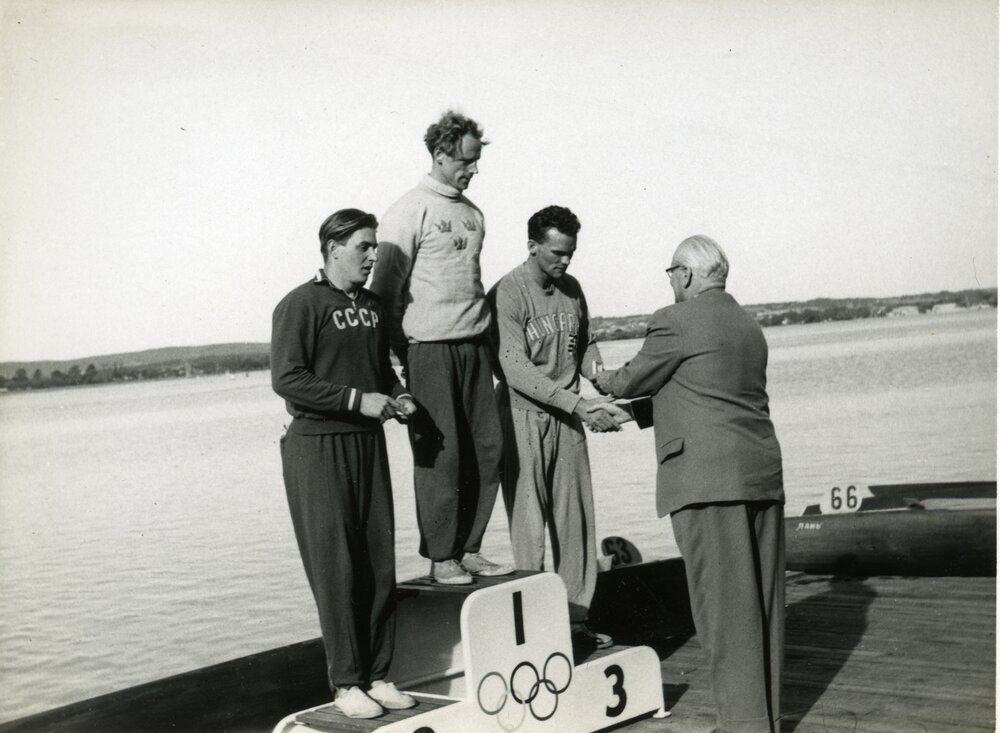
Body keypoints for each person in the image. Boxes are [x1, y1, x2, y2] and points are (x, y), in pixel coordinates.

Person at [594, 235, 785, 733]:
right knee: (762, 607)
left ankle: (743, 726)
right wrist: (632, 416)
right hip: (760, 475)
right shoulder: (747, 324)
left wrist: (594, 372)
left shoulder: (676, 319)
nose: (671, 284)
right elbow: (702, 391)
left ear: (684, 274)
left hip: (707, 483)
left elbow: (628, 380)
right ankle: (762, 719)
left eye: (671, 275)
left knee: (723, 609)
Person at [271, 209, 418, 719]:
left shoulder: (374, 307)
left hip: (367, 445)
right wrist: (359, 401)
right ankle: (346, 683)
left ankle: (378, 675)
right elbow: (288, 379)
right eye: (363, 246)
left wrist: (399, 397)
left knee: (378, 564)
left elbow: (381, 370)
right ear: (333, 247)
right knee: (337, 567)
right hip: (317, 447)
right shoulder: (300, 304)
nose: (373, 255)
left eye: (375, 246)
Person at [369, 110, 512, 585]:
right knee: (441, 457)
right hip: (428, 350)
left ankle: (469, 548)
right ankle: (441, 555)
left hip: (474, 348)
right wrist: (401, 356)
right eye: (466, 161)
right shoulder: (409, 210)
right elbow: (385, 292)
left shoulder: (473, 214)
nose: (473, 170)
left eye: (476, 161)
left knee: (488, 450)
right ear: (440, 154)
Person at [488, 205, 629, 651]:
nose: (564, 262)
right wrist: (577, 403)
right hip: (522, 418)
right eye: (556, 253)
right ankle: (534, 633)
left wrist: (602, 382)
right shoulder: (507, 294)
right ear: (532, 246)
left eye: (570, 253)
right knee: (529, 532)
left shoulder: (572, 290)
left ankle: (576, 624)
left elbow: (584, 344)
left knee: (576, 525)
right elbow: (514, 368)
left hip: (569, 420)